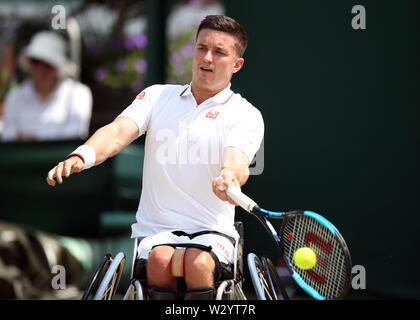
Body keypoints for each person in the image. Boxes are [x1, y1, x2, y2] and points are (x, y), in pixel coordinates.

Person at [46, 15, 264, 300]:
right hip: (157, 230)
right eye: (201, 48)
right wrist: (83, 155)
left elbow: (236, 162)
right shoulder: (156, 96)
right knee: (160, 263)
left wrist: (230, 179)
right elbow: (116, 133)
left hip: (213, 231)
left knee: (197, 265)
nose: (207, 58)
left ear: (237, 65)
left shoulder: (245, 114)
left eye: (219, 52)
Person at [1, 31, 92, 142]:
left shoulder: (78, 94)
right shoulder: (15, 96)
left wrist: (32, 138)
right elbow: (8, 135)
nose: (41, 69)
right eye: (36, 62)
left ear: (59, 67)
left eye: (48, 64)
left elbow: (75, 133)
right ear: (30, 64)